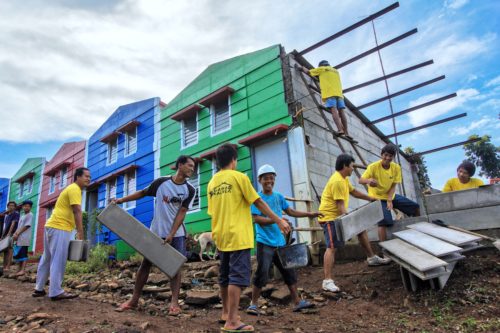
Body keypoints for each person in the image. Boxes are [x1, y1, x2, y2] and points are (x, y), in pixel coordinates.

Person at [207, 143, 291, 333]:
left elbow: (213, 211)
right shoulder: (239, 177)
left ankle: (226, 313)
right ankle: (232, 322)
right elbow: (258, 201)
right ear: (234, 160)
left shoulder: (212, 183)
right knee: (237, 276)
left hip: (220, 234)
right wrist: (278, 220)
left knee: (224, 276)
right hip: (238, 234)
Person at [114, 155, 196, 316]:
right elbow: (142, 193)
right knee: (145, 264)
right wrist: (121, 200)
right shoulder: (161, 182)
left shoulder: (190, 190)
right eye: (190, 166)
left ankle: (174, 302)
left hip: (177, 234)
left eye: (193, 167)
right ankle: (134, 300)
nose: (192, 169)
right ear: (180, 165)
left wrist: (172, 234)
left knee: (175, 268)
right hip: (156, 231)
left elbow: (182, 213)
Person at [247, 164, 320, 315]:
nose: (269, 181)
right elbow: (257, 219)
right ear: (260, 180)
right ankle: (253, 304)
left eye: (272, 178)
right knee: (262, 272)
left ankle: (298, 302)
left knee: (289, 272)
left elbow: (291, 211)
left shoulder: (278, 197)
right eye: (266, 178)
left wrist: (310, 214)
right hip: (264, 241)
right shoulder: (257, 199)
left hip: (280, 242)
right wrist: (277, 220)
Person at [319, 154, 390, 293]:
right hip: (329, 218)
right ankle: (327, 281)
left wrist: (370, 198)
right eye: (352, 166)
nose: (353, 169)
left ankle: (371, 258)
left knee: (360, 228)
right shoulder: (337, 181)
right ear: (345, 166)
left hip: (336, 216)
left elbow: (355, 192)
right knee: (331, 247)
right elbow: (340, 206)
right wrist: (348, 220)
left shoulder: (343, 179)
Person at [33, 167, 90, 300]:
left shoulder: (71, 188)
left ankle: (39, 289)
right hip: (60, 227)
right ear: (78, 177)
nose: (88, 179)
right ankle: (56, 292)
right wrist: (80, 232)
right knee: (58, 259)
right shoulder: (75, 189)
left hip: (51, 226)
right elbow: (77, 210)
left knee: (47, 258)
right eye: (86, 176)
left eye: (89, 177)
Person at [359, 143, 420, 242]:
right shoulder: (373, 167)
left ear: (393, 157)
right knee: (385, 222)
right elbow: (360, 180)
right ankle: (384, 250)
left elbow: (393, 185)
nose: (387, 158)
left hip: (390, 196)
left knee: (415, 207)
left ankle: (419, 232)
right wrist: (369, 181)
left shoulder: (396, 168)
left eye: (390, 156)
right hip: (377, 198)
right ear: (381, 155)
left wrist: (389, 199)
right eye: (385, 155)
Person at [302, 60, 350, 138]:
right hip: (339, 94)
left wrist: (302, 67)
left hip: (329, 93)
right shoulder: (335, 71)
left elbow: (308, 72)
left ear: (321, 66)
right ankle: (346, 132)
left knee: (334, 110)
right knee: (341, 112)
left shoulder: (322, 69)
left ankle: (340, 130)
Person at [12, 200, 33, 276]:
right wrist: (15, 234)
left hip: (24, 238)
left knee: (23, 254)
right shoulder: (22, 216)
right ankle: (18, 270)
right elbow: (19, 227)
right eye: (25, 206)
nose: (26, 207)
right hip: (19, 238)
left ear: (30, 207)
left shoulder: (30, 215)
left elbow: (27, 226)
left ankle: (22, 270)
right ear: (23, 207)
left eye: (28, 206)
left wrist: (17, 234)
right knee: (18, 254)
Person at [1, 201, 20, 272]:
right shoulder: (7, 216)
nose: (11, 207)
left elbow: (13, 223)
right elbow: (5, 227)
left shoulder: (16, 214)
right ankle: (4, 266)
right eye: (9, 205)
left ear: (15, 207)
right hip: (5, 235)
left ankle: (8, 266)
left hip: (11, 233)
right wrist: (2, 236)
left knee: (10, 249)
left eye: (13, 205)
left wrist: (9, 233)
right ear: (8, 206)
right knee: (5, 250)